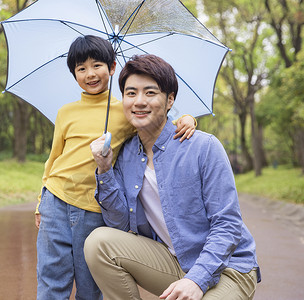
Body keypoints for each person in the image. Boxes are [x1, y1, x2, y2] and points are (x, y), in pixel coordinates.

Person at [35, 36, 197, 300]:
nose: (90, 74)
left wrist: (187, 118)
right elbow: (54, 158)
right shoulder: (65, 112)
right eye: (81, 68)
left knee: (90, 285)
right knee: (51, 277)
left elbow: (163, 120)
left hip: (93, 209)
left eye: (97, 65)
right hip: (56, 200)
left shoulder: (125, 109)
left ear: (111, 68)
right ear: (74, 74)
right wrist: (41, 201)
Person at [87, 54, 261, 300]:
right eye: (131, 93)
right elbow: (120, 226)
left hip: (227, 268)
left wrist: (196, 280)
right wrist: (104, 169)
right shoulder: (124, 155)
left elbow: (228, 225)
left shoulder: (203, 146)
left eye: (150, 93)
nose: (139, 101)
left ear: (170, 100)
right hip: (172, 262)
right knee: (99, 242)